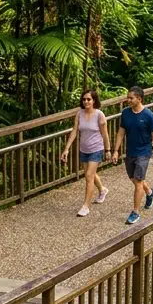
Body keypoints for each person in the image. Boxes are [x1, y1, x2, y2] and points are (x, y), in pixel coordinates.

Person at [111, 85, 153, 225]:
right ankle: (150, 192)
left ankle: (135, 212)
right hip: (130, 152)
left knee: (138, 182)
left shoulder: (148, 115)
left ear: (139, 99)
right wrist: (116, 150)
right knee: (134, 178)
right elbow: (121, 133)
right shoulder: (125, 113)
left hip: (143, 152)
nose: (128, 100)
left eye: (131, 98)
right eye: (128, 97)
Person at [59, 88, 110, 217]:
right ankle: (102, 190)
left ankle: (85, 206)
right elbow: (75, 131)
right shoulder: (79, 114)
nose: (86, 101)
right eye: (84, 99)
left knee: (88, 176)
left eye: (89, 99)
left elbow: (105, 134)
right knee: (90, 174)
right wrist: (66, 149)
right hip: (84, 149)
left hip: (96, 149)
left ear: (94, 101)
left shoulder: (99, 115)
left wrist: (108, 150)